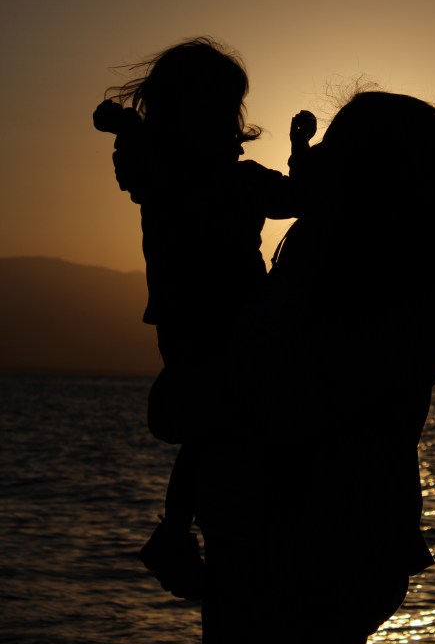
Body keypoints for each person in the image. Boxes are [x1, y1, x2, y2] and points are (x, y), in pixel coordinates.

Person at [195, 88, 435, 644]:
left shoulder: (388, 297)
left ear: (371, 179)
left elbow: (282, 399)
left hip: (310, 548)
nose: (316, 162)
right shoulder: (389, 285)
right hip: (333, 543)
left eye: (334, 153)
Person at [93, 36, 317, 599]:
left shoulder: (163, 175)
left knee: (211, 430)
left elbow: (134, 155)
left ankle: (175, 530)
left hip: (188, 323)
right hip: (235, 323)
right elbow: (303, 198)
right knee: (224, 425)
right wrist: (301, 150)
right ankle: (181, 533)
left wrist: (127, 127)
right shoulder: (218, 180)